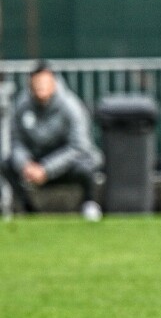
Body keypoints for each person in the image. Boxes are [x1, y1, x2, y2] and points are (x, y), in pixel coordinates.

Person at [1, 64, 103, 220]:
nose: (40, 87)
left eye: (44, 83)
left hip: (65, 165)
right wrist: (25, 164)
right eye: (36, 83)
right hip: (35, 165)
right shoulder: (22, 105)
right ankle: (28, 209)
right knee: (6, 164)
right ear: (30, 83)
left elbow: (78, 147)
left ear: (53, 83)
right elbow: (16, 141)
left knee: (87, 165)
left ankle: (89, 204)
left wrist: (46, 169)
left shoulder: (71, 106)